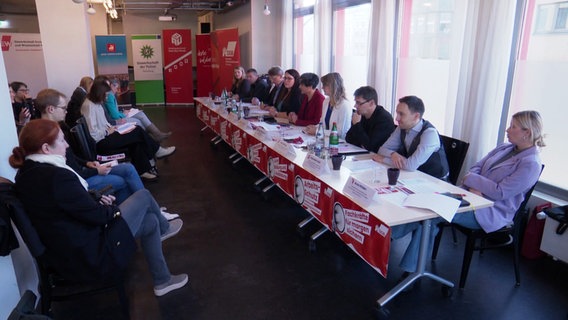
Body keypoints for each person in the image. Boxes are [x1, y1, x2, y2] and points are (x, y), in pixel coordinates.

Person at [10, 119, 188, 296]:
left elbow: (67, 206)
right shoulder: (57, 177)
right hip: (88, 253)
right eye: (62, 141)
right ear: (46, 148)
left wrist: (95, 201)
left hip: (67, 248)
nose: (66, 146)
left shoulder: (27, 173)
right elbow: (98, 217)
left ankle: (163, 281)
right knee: (143, 196)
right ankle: (165, 230)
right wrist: (113, 209)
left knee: (149, 222)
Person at [390, 110, 545, 274]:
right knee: (425, 205)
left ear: (526, 133)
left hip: (490, 210)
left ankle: (400, 249)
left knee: (433, 214)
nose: (507, 130)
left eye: (513, 127)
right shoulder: (504, 148)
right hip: (469, 196)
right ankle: (411, 265)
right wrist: (475, 183)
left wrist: (474, 182)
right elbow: (475, 168)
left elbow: (500, 192)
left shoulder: (531, 164)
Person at [81, 78, 175, 180]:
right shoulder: (89, 106)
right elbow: (93, 134)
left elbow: (103, 124)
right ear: (99, 93)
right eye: (106, 95)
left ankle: (142, 170)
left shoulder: (95, 103)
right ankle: (157, 150)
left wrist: (112, 128)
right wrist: (108, 131)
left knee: (135, 139)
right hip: (101, 143)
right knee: (137, 130)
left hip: (106, 136)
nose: (106, 97)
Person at [373, 95, 449, 179]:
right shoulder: (401, 127)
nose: (397, 118)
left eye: (401, 114)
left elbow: (410, 166)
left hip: (435, 181)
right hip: (413, 176)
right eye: (397, 113)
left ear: (416, 116)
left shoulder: (429, 134)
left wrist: (384, 160)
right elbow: (382, 150)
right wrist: (393, 154)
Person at [103, 77, 172, 142]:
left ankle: (156, 135)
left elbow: (114, 110)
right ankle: (151, 139)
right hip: (117, 120)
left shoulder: (111, 95)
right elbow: (115, 116)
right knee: (138, 121)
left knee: (140, 114)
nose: (117, 90)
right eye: (116, 87)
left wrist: (122, 111)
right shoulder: (110, 96)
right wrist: (123, 114)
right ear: (111, 85)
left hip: (119, 116)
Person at [345, 86, 395, 152]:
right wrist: (362, 143)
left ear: (371, 103)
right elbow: (348, 138)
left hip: (379, 159)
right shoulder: (362, 115)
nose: (355, 106)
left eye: (358, 103)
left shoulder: (384, 119)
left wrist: (357, 125)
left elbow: (371, 147)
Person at [304, 72, 352, 139]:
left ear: (332, 86)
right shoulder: (326, 101)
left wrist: (317, 131)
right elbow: (322, 123)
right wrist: (314, 127)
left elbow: (341, 132)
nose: (322, 87)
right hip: (326, 140)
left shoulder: (344, 105)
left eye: (324, 85)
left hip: (339, 143)